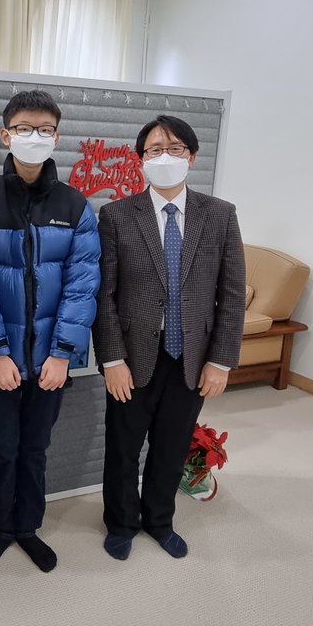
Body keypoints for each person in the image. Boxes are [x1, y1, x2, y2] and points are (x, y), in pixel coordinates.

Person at [93, 114, 245, 561]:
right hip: (132, 355)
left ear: (191, 157)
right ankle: (121, 522)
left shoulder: (220, 214)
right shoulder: (116, 215)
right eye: (155, 150)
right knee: (123, 446)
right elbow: (104, 294)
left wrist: (221, 360)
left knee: (172, 444)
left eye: (174, 148)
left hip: (191, 355)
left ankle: (159, 520)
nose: (165, 157)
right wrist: (111, 359)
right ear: (141, 160)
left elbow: (232, 293)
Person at [0, 90, 99, 572]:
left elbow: (83, 284)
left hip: (51, 361)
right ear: (6, 135)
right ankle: (2, 527)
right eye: (24, 128)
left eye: (44, 130)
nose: (34, 137)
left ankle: (28, 528)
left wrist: (62, 353)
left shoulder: (76, 206)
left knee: (35, 448)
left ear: (56, 138)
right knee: (1, 448)